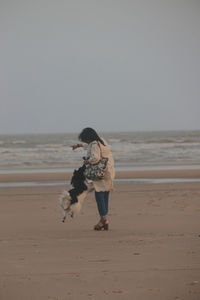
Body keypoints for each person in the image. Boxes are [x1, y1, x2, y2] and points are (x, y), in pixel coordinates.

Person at [72, 127, 115, 230]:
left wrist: (87, 161)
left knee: (99, 195)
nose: (85, 141)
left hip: (100, 173)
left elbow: (95, 158)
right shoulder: (102, 141)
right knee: (105, 194)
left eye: (85, 139)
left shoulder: (94, 144)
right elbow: (90, 147)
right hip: (109, 171)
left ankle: (103, 220)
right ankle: (104, 219)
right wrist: (79, 146)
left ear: (89, 137)